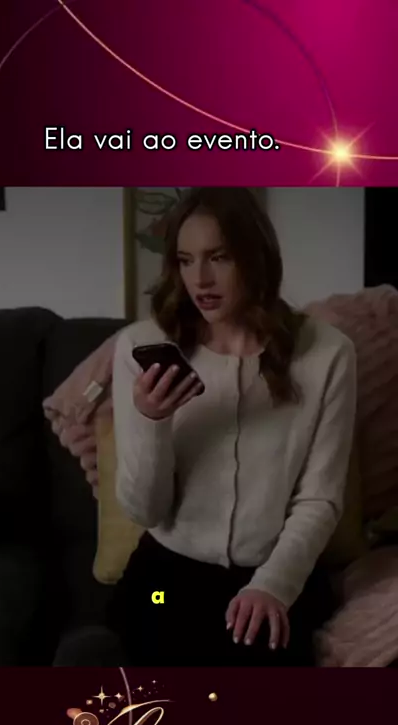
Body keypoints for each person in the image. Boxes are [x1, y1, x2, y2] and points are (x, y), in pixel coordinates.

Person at [105, 187, 357, 667]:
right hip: (166, 578)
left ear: (256, 257)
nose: (200, 279)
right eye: (185, 260)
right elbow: (144, 510)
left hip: (272, 576)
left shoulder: (328, 353)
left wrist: (273, 585)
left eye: (218, 257)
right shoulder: (141, 347)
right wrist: (152, 422)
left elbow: (320, 497)